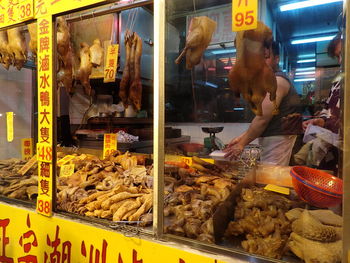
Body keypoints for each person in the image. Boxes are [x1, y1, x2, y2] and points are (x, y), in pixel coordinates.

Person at [224, 41, 302, 165]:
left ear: (276, 59)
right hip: (274, 139)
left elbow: (262, 119)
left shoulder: (278, 81)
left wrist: (241, 144)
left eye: (265, 57)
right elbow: (265, 119)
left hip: (278, 141)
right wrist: (241, 138)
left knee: (272, 177)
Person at [300, 33, 342, 172]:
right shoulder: (338, 84)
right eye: (338, 56)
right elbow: (328, 110)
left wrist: (327, 123)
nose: (341, 60)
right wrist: (320, 121)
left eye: (343, 54)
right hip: (335, 154)